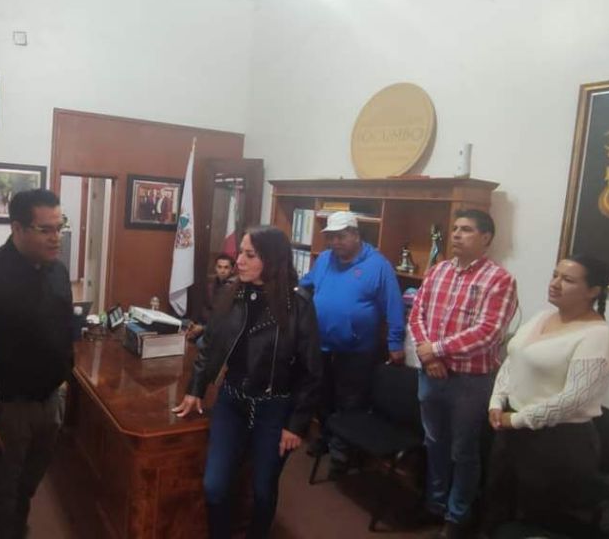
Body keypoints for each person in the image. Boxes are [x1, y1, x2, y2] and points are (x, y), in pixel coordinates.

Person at [172, 226, 322, 539]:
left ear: (272, 259)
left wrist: (296, 424)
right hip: (232, 401)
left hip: (274, 407)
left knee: (263, 491)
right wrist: (195, 389)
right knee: (214, 486)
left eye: (249, 254)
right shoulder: (231, 292)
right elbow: (210, 346)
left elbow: (311, 371)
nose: (238, 260)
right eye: (240, 252)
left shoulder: (298, 305)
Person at [0, 189, 73, 539]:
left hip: (49, 404)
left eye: (60, 227)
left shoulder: (58, 271)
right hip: (4, 412)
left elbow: (63, 329)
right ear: (17, 228)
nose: (56, 238)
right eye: (45, 229)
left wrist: (63, 381)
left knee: (24, 493)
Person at [482, 255, 609, 533]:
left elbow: (573, 399)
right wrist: (497, 401)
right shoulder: (542, 317)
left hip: (557, 443)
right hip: (512, 429)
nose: (555, 283)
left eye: (567, 280)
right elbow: (514, 360)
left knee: (535, 519)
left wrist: (517, 419)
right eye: (555, 275)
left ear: (593, 291)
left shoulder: (598, 336)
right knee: (497, 505)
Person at [408, 209, 518, 539]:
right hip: (431, 374)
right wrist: (428, 356)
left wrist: (436, 350)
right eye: (455, 228)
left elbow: (488, 332)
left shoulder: (499, 280)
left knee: (464, 451)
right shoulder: (438, 270)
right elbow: (416, 314)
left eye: (466, 229)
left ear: (486, 238)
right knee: (434, 443)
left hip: (470, 383)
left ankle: (457, 516)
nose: (456, 234)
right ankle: (434, 504)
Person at [298, 211, 406, 477]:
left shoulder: (378, 265)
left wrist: (395, 343)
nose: (335, 242)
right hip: (322, 345)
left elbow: (394, 307)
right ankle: (327, 437)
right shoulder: (325, 259)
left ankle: (341, 455)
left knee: (350, 402)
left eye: (341, 236)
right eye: (331, 237)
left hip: (356, 351)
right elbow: (306, 284)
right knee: (323, 397)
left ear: (356, 235)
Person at [186, 253, 236, 339]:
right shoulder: (211, 282)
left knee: (199, 342)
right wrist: (194, 322)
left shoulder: (233, 287)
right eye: (219, 267)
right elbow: (203, 306)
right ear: (215, 268)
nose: (222, 271)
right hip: (205, 323)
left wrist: (203, 328)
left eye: (226, 267)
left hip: (220, 330)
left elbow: (225, 319)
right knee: (181, 324)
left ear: (232, 270)